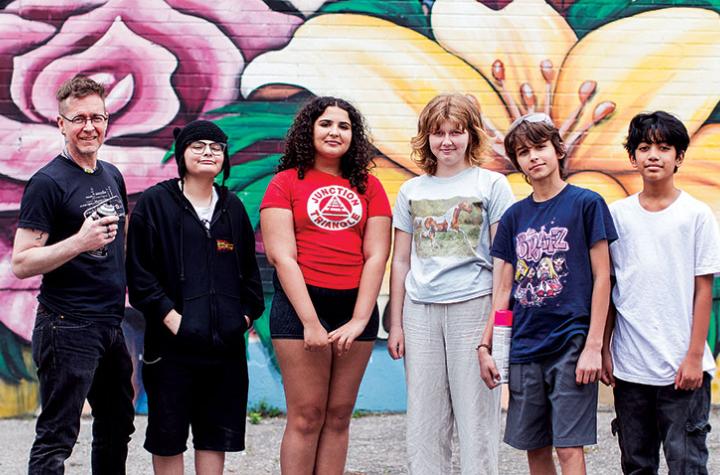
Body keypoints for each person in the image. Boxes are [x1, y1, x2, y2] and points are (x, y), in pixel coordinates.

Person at [478, 113, 616, 474]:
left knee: (569, 448)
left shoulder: (586, 204)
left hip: (570, 342)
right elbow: (504, 290)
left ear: (558, 150)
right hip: (524, 345)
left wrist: (594, 346)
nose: (533, 157)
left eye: (540, 147)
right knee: (534, 448)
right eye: (523, 152)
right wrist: (486, 345)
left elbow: (604, 277)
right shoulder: (513, 217)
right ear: (517, 162)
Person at [260, 96, 391, 474]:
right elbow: (281, 256)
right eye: (326, 124)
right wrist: (311, 322)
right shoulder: (284, 183)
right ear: (309, 130)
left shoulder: (370, 187)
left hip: (355, 310)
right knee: (306, 415)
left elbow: (377, 256)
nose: (334, 132)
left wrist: (359, 320)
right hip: (301, 309)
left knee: (337, 416)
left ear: (354, 136)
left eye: (344, 126)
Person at [11, 75, 135, 474]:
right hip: (66, 326)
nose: (89, 127)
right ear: (60, 123)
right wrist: (78, 242)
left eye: (97, 117)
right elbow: (22, 261)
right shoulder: (47, 183)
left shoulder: (111, 175)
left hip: (110, 325)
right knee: (57, 437)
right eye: (78, 118)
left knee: (117, 425)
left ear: (107, 121)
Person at [126, 120, 264, 474]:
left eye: (216, 147)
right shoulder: (155, 204)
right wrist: (174, 321)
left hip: (224, 350)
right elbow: (139, 276)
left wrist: (242, 320)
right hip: (171, 348)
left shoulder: (232, 208)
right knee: (167, 436)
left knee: (213, 436)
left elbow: (251, 276)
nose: (208, 153)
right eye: (198, 146)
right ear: (182, 153)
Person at [386, 93, 514, 474]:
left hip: (473, 305)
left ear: (470, 136)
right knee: (425, 417)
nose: (446, 141)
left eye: (455, 132)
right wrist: (395, 322)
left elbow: (502, 261)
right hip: (420, 311)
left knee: (476, 415)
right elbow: (401, 261)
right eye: (438, 133)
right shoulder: (412, 191)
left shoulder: (491, 186)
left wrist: (496, 326)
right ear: (426, 137)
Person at [601, 111, 720, 474]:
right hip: (630, 367)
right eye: (644, 147)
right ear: (633, 157)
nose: (654, 155)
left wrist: (695, 357)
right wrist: (604, 348)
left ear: (679, 156)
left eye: (664, 147)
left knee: (687, 463)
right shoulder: (616, 216)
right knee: (637, 464)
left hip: (682, 368)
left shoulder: (696, 215)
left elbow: (705, 291)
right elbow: (608, 287)